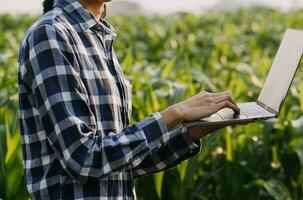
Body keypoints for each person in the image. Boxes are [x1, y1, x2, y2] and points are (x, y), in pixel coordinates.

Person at [18, 0, 240, 199]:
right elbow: (83, 158)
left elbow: (121, 163)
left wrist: (191, 134)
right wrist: (174, 114)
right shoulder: (51, 33)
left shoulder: (97, 36)